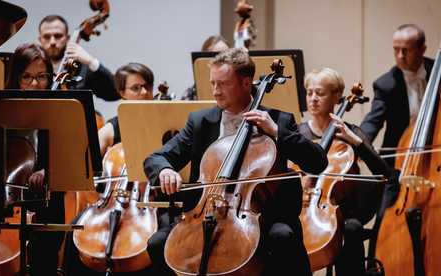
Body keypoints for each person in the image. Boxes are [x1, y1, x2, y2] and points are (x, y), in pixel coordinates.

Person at [144, 48, 328, 276]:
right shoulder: (201, 122)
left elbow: (318, 162)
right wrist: (164, 170)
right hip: (205, 213)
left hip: (261, 218)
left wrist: (276, 131)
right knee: (157, 244)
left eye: (223, 84)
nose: (215, 91)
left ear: (246, 83)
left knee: (283, 237)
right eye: (212, 83)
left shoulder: (279, 120)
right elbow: (156, 158)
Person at [299, 68, 397, 276]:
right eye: (309, 93)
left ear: (336, 96)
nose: (313, 99)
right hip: (303, 205)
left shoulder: (350, 131)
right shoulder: (299, 133)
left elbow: (384, 172)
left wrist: (355, 141)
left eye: (320, 93)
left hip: (341, 210)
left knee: (351, 228)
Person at [360, 24, 441, 166]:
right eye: (396, 49)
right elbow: (373, 121)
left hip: (439, 157)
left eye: (406, 50)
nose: (400, 56)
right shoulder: (386, 84)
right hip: (399, 160)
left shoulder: (439, 70)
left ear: (422, 50)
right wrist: (359, 145)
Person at [5, 43, 64, 276]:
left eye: (41, 77)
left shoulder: (62, 109)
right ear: (15, 78)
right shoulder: (2, 107)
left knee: (44, 266)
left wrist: (48, 169)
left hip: (47, 203)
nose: (34, 84)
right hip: (8, 203)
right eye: (26, 76)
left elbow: (69, 155)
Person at [38, 14, 119, 101]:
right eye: (47, 37)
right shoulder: (33, 69)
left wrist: (91, 61)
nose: (52, 42)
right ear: (40, 40)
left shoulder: (81, 69)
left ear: (68, 38)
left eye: (58, 36)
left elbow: (114, 94)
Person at [98, 62, 154, 156]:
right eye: (136, 88)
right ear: (122, 93)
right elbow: (89, 167)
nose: (145, 92)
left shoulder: (163, 120)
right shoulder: (110, 130)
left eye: (148, 86)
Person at [181, 35, 229, 100]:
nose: (221, 63)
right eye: (216, 57)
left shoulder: (237, 90)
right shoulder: (190, 93)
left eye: (226, 57)